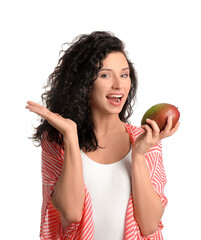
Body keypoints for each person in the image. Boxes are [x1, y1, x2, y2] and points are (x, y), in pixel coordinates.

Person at [26, 31, 179, 240]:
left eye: (124, 75)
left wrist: (139, 155)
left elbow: (150, 224)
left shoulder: (145, 140)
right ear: (83, 85)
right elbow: (71, 212)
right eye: (105, 75)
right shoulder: (57, 140)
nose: (119, 85)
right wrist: (71, 136)